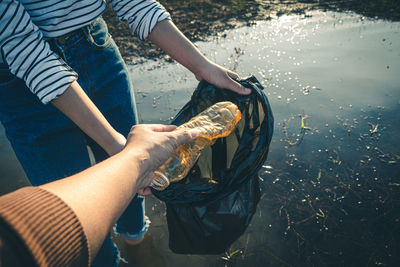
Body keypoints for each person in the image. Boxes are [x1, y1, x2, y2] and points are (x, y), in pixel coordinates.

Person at [0, 1, 251, 266]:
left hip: (95, 49)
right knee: (70, 212)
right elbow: (23, 47)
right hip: (21, 79)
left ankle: (136, 241)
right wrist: (120, 147)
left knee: (136, 183)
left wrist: (202, 66)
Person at [0, 124, 198, 267]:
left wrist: (200, 65)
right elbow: (19, 244)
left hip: (101, 71)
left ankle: (136, 242)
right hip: (25, 99)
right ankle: (109, 260)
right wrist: (135, 157)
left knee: (132, 204)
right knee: (95, 254)